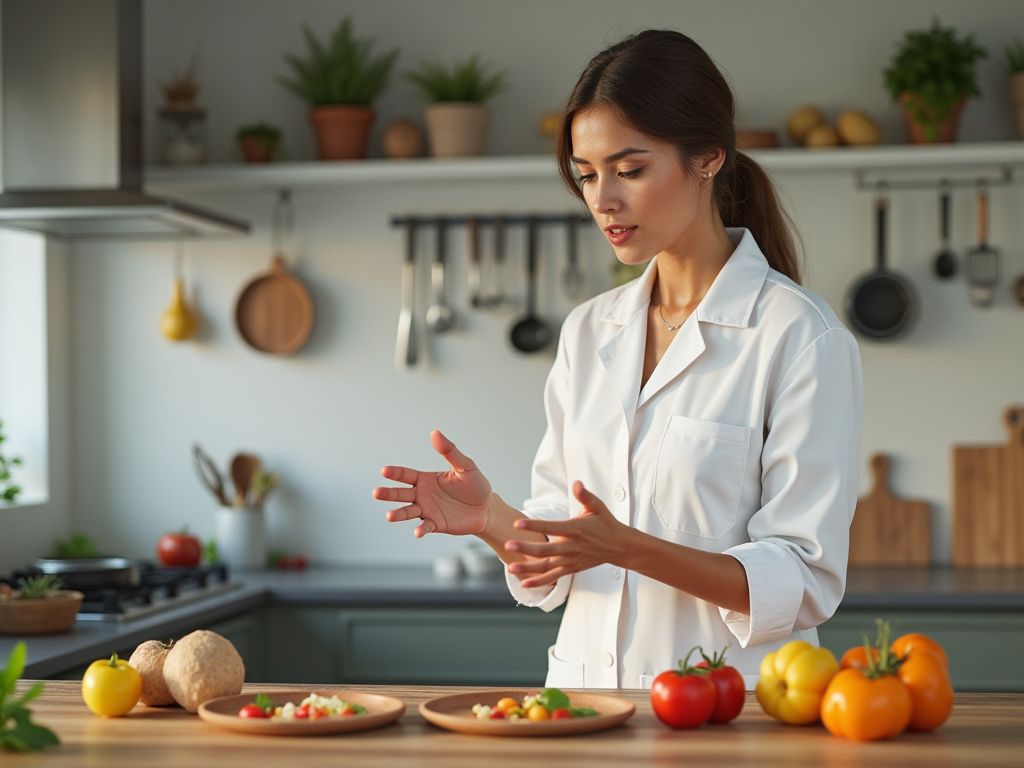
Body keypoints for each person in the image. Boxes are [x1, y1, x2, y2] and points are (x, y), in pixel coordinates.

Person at [372, 29, 862, 690]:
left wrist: (630, 548)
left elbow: (803, 579)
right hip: (580, 709)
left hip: (726, 711)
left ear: (708, 157)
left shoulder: (799, 336)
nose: (602, 199)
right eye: (587, 174)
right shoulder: (588, 331)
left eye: (629, 170)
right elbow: (564, 549)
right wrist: (492, 519)